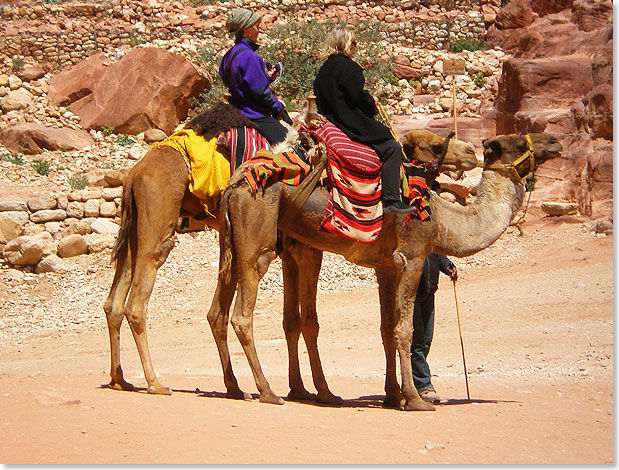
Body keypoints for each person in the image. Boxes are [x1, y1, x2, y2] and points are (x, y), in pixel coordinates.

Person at [313, 26, 414, 214]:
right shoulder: (349, 67)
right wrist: (370, 102)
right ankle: (391, 199)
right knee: (392, 148)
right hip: (349, 122)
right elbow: (356, 97)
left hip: (331, 121)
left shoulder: (323, 70)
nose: (355, 47)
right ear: (344, 44)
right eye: (353, 43)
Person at [219, 8, 290, 145]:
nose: (259, 30)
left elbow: (238, 83)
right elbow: (260, 93)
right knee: (290, 144)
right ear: (246, 30)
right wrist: (278, 106)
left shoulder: (229, 55)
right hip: (253, 114)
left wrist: (267, 78)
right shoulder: (249, 56)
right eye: (256, 27)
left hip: (236, 109)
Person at [412, 253, 458, 403]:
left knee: (426, 339)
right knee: (417, 342)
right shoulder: (408, 232)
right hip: (412, 295)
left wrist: (447, 265)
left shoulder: (429, 236)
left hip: (429, 292)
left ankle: (414, 381)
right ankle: (423, 385)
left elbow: (437, 253)